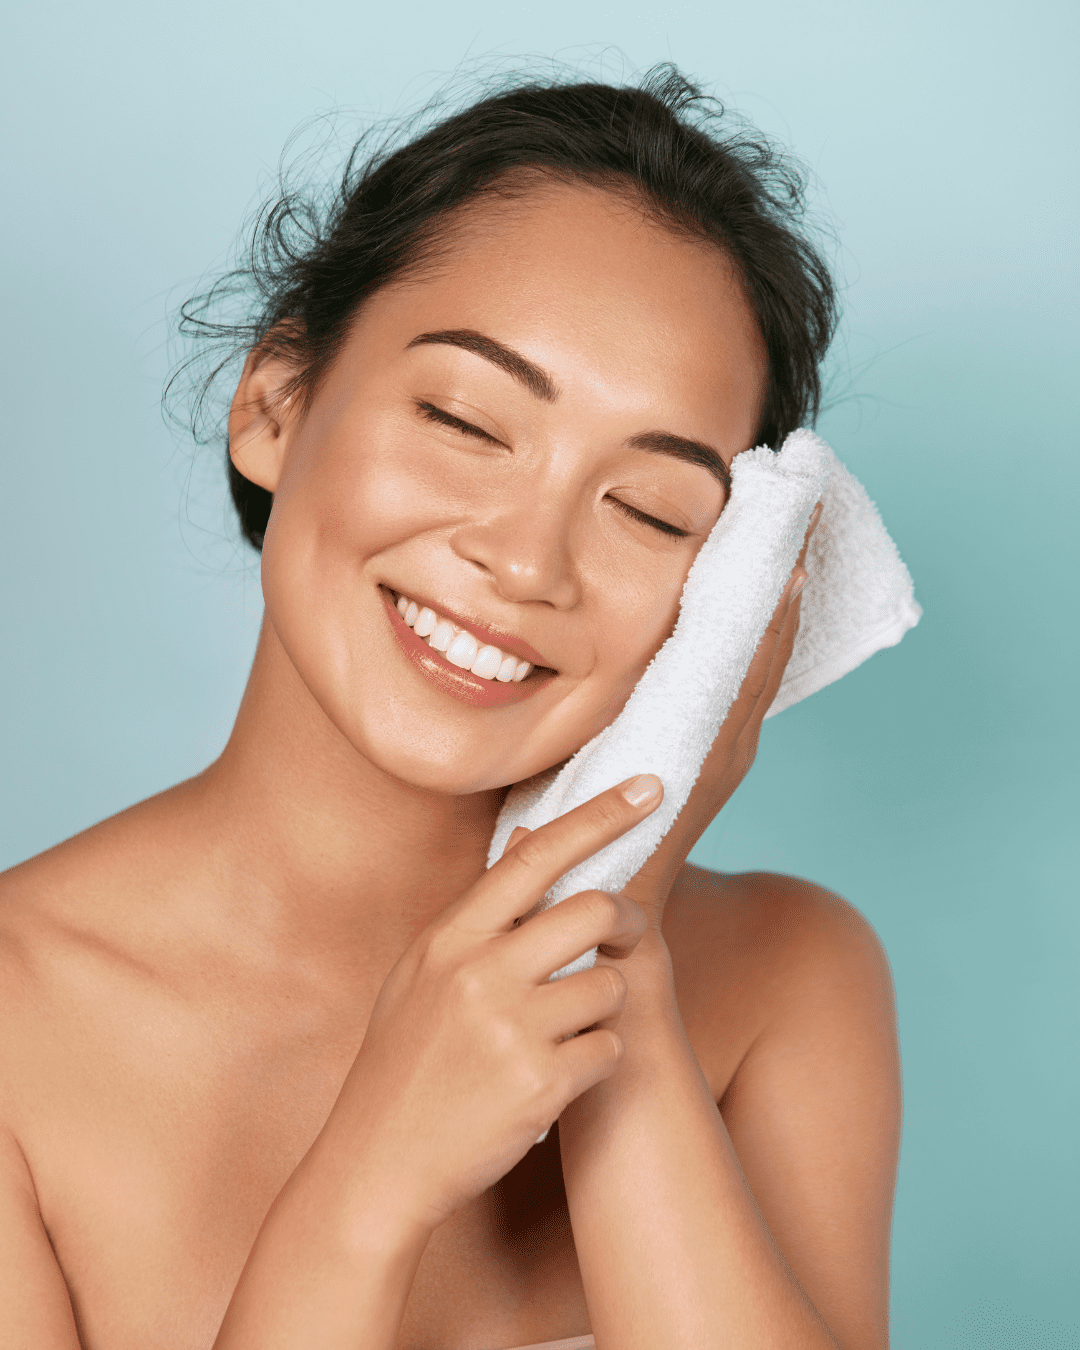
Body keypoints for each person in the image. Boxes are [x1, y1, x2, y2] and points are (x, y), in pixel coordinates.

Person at [0, 66, 901, 1350]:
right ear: (274, 403)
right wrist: (365, 1189)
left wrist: (608, 943)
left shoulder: (791, 980)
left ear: (734, 601)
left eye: (651, 510)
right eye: (465, 421)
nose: (527, 563)